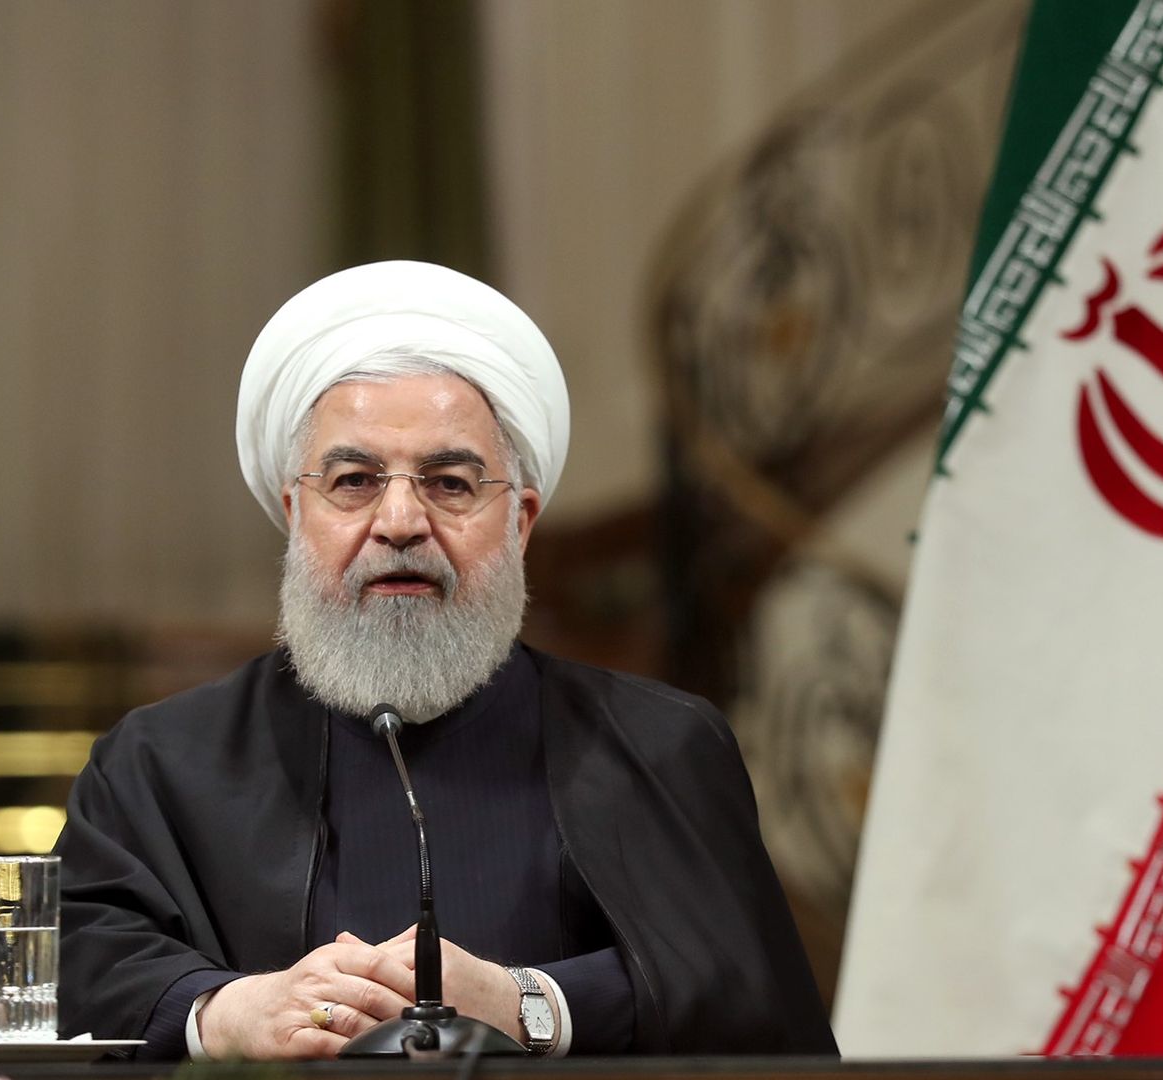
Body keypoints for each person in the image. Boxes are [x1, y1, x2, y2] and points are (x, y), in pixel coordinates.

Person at [53, 261, 837, 1060]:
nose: (400, 521)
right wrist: (225, 1013)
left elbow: (748, 996)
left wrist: (524, 1003)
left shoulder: (660, 745)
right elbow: (79, 968)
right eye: (353, 480)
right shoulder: (158, 763)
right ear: (295, 513)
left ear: (521, 522)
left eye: (450, 483)